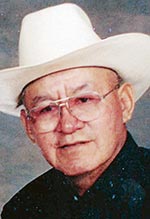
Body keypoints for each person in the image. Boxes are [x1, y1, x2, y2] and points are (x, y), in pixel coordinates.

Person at [0, 3, 150, 219]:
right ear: (29, 126)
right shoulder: (23, 209)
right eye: (47, 108)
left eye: (84, 99)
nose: (68, 125)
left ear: (124, 103)